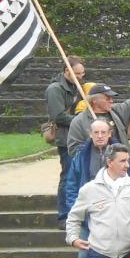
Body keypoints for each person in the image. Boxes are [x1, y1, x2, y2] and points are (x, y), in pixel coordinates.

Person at [63, 119, 112, 258]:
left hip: (112, 218)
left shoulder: (121, 154)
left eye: (103, 132)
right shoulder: (81, 155)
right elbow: (72, 185)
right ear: (90, 134)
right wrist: (76, 210)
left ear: (110, 134)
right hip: (87, 218)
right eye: (96, 132)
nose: (100, 136)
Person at [66, 72, 130, 169]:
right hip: (95, 171)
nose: (111, 100)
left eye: (112, 98)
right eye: (107, 98)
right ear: (94, 100)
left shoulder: (118, 111)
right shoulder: (79, 121)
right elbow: (73, 150)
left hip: (123, 167)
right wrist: (96, 149)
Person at [45, 55, 86, 225]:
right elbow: (58, 116)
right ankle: (64, 216)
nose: (80, 77)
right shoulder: (55, 89)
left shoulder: (80, 88)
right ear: (66, 71)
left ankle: (78, 214)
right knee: (68, 176)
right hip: (65, 138)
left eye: (82, 73)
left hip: (80, 137)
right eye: (76, 73)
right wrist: (81, 120)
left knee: (80, 176)